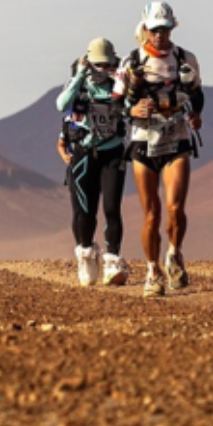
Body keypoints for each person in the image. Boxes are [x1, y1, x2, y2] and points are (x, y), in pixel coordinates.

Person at [115, 1, 204, 297]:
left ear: (172, 28)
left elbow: (197, 94)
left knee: (176, 208)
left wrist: (194, 113)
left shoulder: (185, 58)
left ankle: (174, 255)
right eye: (155, 29)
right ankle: (152, 271)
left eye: (165, 29)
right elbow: (116, 103)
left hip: (176, 139)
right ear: (146, 29)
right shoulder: (130, 61)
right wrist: (133, 109)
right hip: (143, 142)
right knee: (151, 214)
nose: (160, 35)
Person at [57, 37, 130, 287]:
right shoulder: (79, 86)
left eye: (106, 65)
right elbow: (61, 104)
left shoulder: (117, 85)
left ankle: (112, 261)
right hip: (84, 154)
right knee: (84, 212)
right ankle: (86, 253)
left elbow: (130, 107)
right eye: (96, 64)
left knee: (111, 207)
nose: (101, 70)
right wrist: (79, 75)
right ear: (88, 62)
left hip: (112, 152)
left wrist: (124, 82)